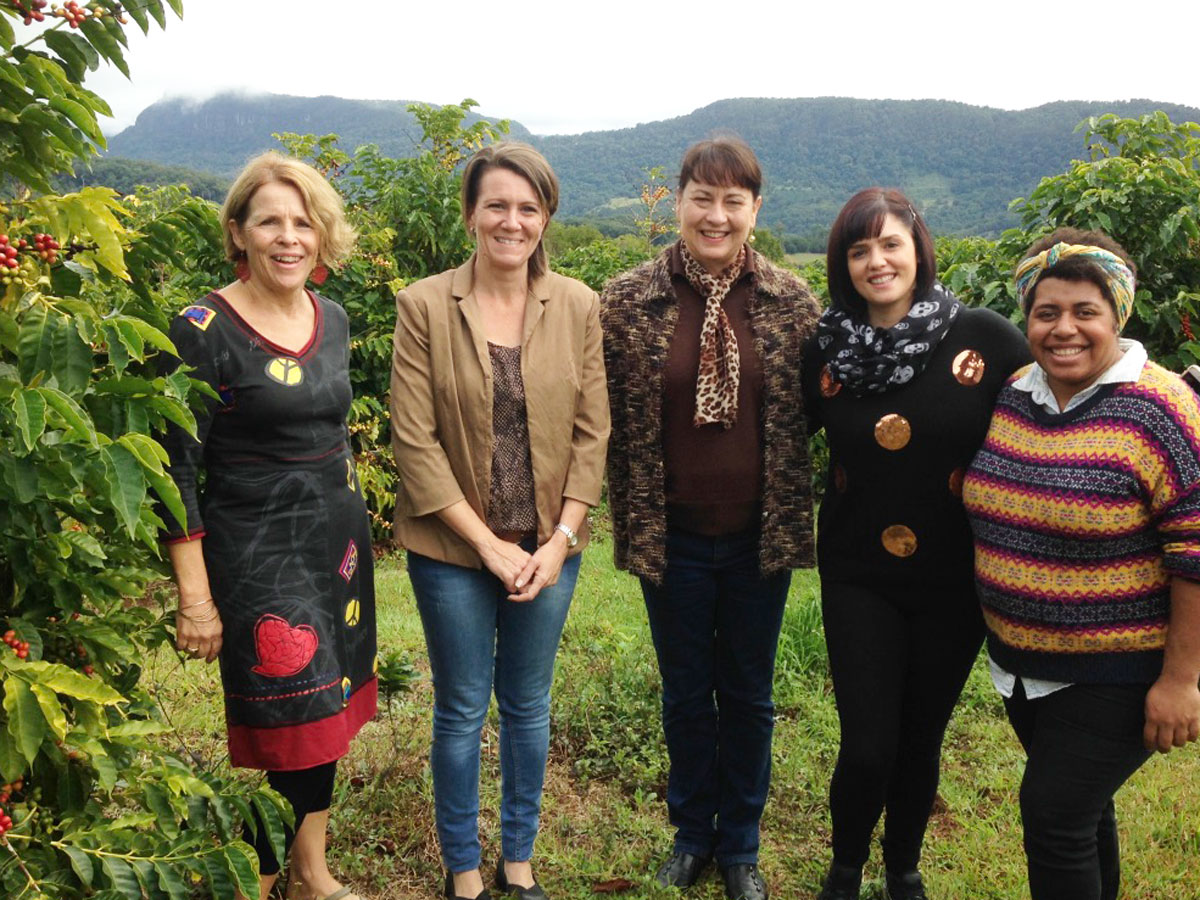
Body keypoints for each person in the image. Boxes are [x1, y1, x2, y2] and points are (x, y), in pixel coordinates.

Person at [601, 137, 820, 900]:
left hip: (763, 535)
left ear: (756, 211)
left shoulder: (793, 302)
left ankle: (742, 847)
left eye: (734, 201)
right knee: (686, 692)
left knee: (752, 694)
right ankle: (693, 834)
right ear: (680, 200)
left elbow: (830, 410)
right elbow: (591, 412)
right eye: (703, 197)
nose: (716, 215)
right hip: (674, 537)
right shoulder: (627, 299)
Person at [390, 142, 609, 900]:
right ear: (471, 213)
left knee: (527, 704)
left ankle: (518, 862)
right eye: (497, 205)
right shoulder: (424, 304)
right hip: (454, 551)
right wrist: (485, 545)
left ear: (545, 217)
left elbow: (592, 432)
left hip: (548, 549)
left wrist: (561, 541)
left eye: (528, 207)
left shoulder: (579, 303)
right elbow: (413, 441)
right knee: (459, 707)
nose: (511, 221)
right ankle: (464, 871)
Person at [801, 188, 1029, 900]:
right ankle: (844, 866)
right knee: (868, 743)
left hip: (955, 579)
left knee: (921, 737)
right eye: (859, 249)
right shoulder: (826, 347)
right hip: (856, 573)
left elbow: (1063, 399)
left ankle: (904, 868)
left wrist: (1167, 394)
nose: (877, 261)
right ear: (844, 264)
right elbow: (775, 435)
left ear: (918, 248)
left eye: (890, 243)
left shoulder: (985, 339)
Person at [160, 151, 375, 900]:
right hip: (258, 555)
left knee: (327, 716)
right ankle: (259, 876)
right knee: (295, 715)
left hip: (336, 548)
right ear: (238, 233)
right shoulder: (200, 328)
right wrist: (196, 596)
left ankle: (310, 870)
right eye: (270, 222)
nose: (290, 237)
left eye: (303, 221)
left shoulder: (334, 318)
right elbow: (172, 466)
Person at [963, 227, 1200, 900]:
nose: (1064, 329)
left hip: (1120, 671)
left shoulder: (1161, 409)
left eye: (1084, 312)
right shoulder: (1013, 393)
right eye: (1046, 312)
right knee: (1081, 815)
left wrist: (1182, 679)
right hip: (1023, 667)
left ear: (1115, 315)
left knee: (1054, 815)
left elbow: (1196, 551)